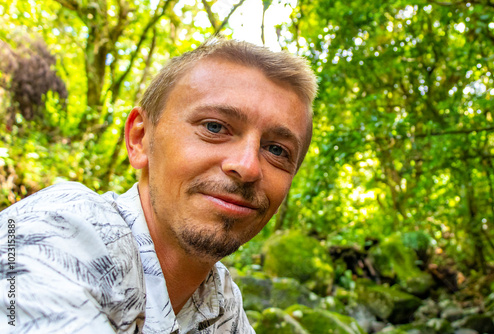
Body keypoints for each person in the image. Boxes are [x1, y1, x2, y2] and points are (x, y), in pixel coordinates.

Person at [0, 38, 317, 333]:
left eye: (277, 150)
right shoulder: (60, 232)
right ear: (140, 139)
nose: (247, 167)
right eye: (215, 127)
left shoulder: (219, 300)